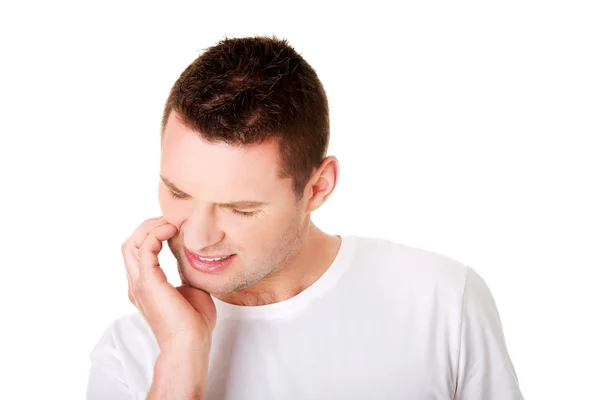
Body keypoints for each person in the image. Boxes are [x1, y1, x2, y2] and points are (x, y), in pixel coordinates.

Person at [86, 36, 524, 399]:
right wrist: (181, 354)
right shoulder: (130, 353)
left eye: (242, 208)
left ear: (318, 187)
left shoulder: (442, 301)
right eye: (179, 193)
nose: (197, 238)